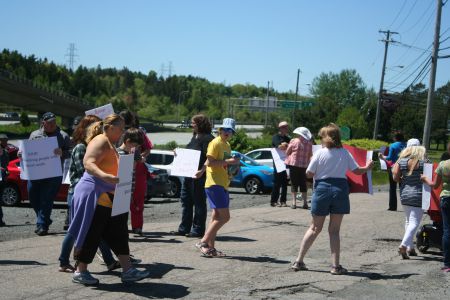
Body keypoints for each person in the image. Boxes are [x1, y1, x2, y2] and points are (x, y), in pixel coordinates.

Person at [69, 114, 148, 285]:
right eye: (120, 129)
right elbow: (88, 163)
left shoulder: (110, 143)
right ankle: (80, 271)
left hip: (110, 197)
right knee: (92, 233)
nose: (122, 132)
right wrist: (105, 176)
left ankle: (128, 270)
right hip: (96, 196)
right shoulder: (100, 140)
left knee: (119, 233)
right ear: (110, 127)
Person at [291, 123, 373, 274]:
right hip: (340, 189)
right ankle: (335, 266)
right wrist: (367, 167)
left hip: (322, 189)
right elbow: (356, 171)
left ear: (326, 137)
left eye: (322, 136)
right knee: (334, 231)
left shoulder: (319, 153)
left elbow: (308, 174)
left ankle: (298, 261)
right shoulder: (344, 153)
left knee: (315, 228)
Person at [58, 115, 120, 273]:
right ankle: (64, 261)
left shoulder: (97, 146)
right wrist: (104, 179)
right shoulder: (82, 148)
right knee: (76, 229)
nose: (99, 127)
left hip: (94, 191)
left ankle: (109, 261)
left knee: (95, 230)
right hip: (81, 192)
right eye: (97, 125)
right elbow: (83, 173)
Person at [195, 118, 240, 257]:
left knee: (216, 217)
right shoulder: (215, 143)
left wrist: (233, 168)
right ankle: (203, 241)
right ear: (220, 130)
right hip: (215, 183)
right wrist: (229, 161)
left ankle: (211, 248)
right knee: (225, 217)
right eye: (225, 129)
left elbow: (211, 162)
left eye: (230, 130)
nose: (227, 132)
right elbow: (211, 162)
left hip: (222, 183)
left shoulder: (226, 145)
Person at [28, 112, 71, 236]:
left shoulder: (63, 136)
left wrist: (62, 152)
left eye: (54, 121)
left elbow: (69, 152)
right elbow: (28, 151)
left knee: (47, 200)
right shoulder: (34, 134)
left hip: (54, 173)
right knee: (33, 197)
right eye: (50, 122)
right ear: (43, 123)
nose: (53, 124)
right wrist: (22, 154)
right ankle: (45, 220)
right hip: (36, 172)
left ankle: (42, 225)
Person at [174, 114, 214, 238]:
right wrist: (178, 152)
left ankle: (198, 230)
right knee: (186, 201)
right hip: (188, 175)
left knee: (199, 203)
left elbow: (209, 158)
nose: (192, 125)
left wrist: (202, 170)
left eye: (194, 123)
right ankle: (184, 228)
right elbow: (189, 152)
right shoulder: (194, 137)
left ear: (200, 124)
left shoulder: (208, 139)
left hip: (200, 176)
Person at [392, 139, 428, 259]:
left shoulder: (401, 161)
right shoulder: (425, 162)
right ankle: (403, 245)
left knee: (408, 221)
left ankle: (410, 248)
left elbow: (395, 177)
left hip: (405, 194)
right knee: (415, 222)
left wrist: (403, 180)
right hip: (419, 195)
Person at [119, 110, 152, 235]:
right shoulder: (117, 131)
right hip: (121, 166)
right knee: (120, 198)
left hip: (137, 169)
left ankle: (137, 226)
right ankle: (120, 226)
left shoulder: (138, 132)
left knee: (137, 199)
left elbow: (148, 148)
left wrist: (138, 159)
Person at [421, 152, 450, 272]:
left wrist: (425, 179)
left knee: (447, 231)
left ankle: (448, 264)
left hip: (447, 199)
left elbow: (435, 185)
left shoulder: (443, 164)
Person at [284, 127, 313, 209]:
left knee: (294, 183)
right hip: (304, 166)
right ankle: (305, 203)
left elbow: (287, 152)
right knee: (303, 184)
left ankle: (294, 203)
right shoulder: (309, 143)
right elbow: (310, 155)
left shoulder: (294, 141)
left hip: (294, 165)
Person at [378, 131, 406, 211]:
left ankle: (393, 206)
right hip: (404, 168)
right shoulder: (406, 145)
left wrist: (382, 156)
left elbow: (389, 158)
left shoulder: (392, 145)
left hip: (394, 168)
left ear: (395, 138)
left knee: (393, 187)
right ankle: (406, 204)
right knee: (403, 187)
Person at [271, 121, 291, 207]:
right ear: (280, 128)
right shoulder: (275, 137)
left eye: (287, 127)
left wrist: (285, 144)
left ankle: (283, 201)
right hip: (278, 162)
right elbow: (279, 146)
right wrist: (285, 145)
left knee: (285, 182)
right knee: (277, 182)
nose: (286, 128)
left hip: (286, 161)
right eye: (284, 127)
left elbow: (291, 147)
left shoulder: (288, 138)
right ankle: (274, 201)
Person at [0, 137, 9, 227]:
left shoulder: (6, 152)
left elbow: (6, 164)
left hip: (2, 179)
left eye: (6, 141)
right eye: (4, 141)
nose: (6, 142)